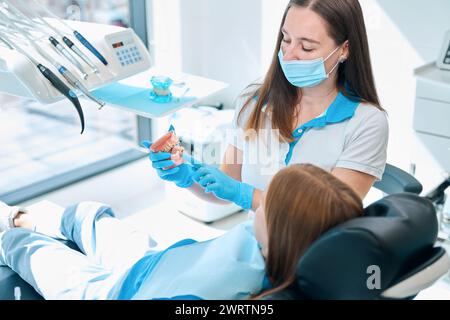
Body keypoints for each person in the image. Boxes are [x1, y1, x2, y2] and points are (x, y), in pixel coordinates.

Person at [143, 0, 389, 213]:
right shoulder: (255, 102)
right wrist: (188, 176)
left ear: (344, 49)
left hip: (314, 260)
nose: (289, 55)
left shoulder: (366, 123)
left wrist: (246, 195)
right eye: (286, 38)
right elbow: (228, 184)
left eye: (306, 47)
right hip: (254, 247)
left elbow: (331, 214)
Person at [0, 164, 363, 300]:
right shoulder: (267, 241)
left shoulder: (236, 289)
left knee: (20, 247)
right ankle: (23, 219)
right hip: (153, 263)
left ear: (283, 231)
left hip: (116, 293)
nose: (259, 200)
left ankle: (13, 228)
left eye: (266, 201)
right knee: (86, 215)